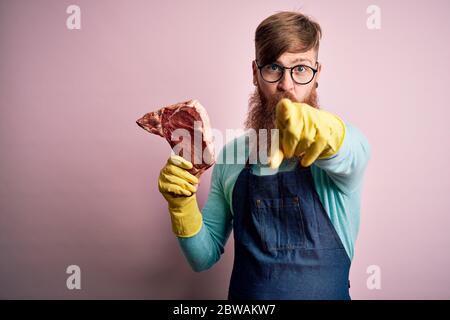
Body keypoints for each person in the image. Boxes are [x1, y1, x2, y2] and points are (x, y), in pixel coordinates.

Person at [157, 11, 371, 300]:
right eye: (273, 68)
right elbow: (202, 258)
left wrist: (324, 129)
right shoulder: (233, 155)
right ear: (255, 73)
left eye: (301, 68)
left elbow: (349, 149)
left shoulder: (343, 147)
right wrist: (181, 206)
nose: (287, 84)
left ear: (318, 74)